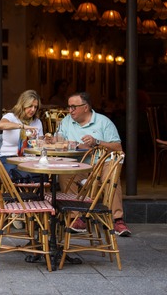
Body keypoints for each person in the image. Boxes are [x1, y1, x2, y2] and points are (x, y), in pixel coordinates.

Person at [56, 91, 131, 237]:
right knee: (64, 175)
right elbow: (59, 140)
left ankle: (117, 219)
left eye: (73, 107)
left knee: (111, 178)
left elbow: (118, 147)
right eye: (69, 107)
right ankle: (76, 218)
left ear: (85, 107)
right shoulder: (66, 121)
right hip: (80, 165)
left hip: (103, 163)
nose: (70, 110)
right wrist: (56, 141)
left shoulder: (104, 122)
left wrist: (96, 142)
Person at [0, 90, 44, 177]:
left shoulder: (37, 122)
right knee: (20, 175)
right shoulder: (10, 117)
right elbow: (0, 125)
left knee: (42, 175)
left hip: (30, 159)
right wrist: (22, 126)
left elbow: (40, 145)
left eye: (35, 107)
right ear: (23, 105)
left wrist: (38, 140)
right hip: (9, 158)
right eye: (30, 106)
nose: (33, 110)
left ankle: (28, 189)